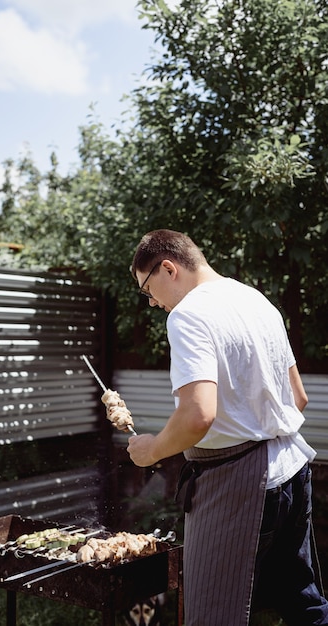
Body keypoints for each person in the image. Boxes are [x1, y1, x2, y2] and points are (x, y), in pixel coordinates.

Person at [127, 229, 328, 626]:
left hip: (238, 483)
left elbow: (197, 415)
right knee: (303, 603)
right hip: (293, 471)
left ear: (169, 268)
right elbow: (298, 397)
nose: (152, 303)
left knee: (212, 614)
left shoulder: (188, 315)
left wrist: (152, 450)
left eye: (147, 290)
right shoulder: (257, 301)